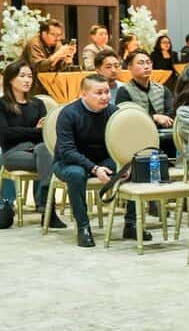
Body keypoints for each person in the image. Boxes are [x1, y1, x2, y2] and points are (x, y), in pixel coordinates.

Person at [52, 74, 139, 247]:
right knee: (76, 174)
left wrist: (124, 164)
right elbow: (67, 151)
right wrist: (94, 169)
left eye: (107, 92)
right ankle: (83, 227)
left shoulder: (114, 112)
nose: (105, 97)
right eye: (98, 93)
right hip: (69, 162)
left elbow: (123, 144)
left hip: (103, 160)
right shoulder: (68, 114)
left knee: (135, 167)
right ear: (83, 94)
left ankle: (131, 224)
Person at [0, 61, 64, 228]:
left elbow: (45, 133)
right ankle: (47, 207)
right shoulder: (2, 104)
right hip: (13, 154)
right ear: (10, 79)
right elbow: (6, 134)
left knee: (44, 149)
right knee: (48, 157)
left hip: (37, 151)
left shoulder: (38, 104)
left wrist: (28, 132)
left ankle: (46, 205)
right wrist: (34, 130)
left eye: (29, 76)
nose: (27, 80)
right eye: (22, 76)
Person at [115, 50, 175, 155]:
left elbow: (171, 112)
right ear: (129, 67)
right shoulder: (124, 91)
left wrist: (162, 119)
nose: (146, 66)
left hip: (164, 134)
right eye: (141, 63)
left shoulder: (162, 88)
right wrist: (154, 118)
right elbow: (125, 118)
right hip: (138, 137)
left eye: (148, 62)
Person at [22, 19, 75, 95]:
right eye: (54, 35)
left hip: (50, 86)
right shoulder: (34, 43)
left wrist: (67, 60)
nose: (57, 38)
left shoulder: (57, 44)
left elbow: (59, 67)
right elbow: (40, 67)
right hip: (32, 86)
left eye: (59, 35)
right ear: (44, 33)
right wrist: (59, 54)